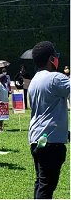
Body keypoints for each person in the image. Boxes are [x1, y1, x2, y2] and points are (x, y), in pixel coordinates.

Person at [28, 41, 70, 199]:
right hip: (51, 141)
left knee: (41, 183)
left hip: (37, 139)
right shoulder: (55, 78)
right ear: (51, 59)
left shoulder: (34, 81)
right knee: (46, 188)